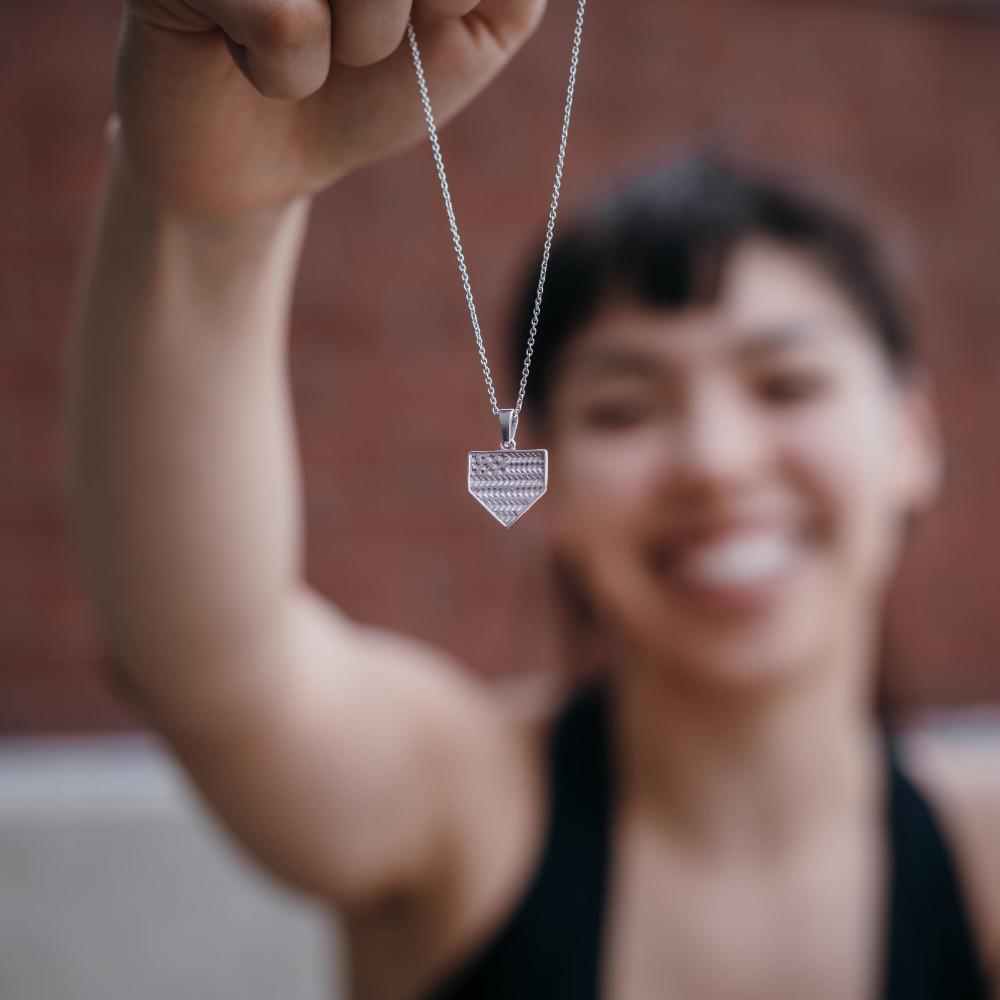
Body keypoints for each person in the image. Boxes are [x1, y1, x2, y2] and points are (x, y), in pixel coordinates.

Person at [67, 1, 999, 998]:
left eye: (786, 385)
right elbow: (207, 661)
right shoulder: (454, 811)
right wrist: (214, 215)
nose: (716, 461)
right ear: (547, 477)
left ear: (910, 436)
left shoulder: (984, 856)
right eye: (624, 405)